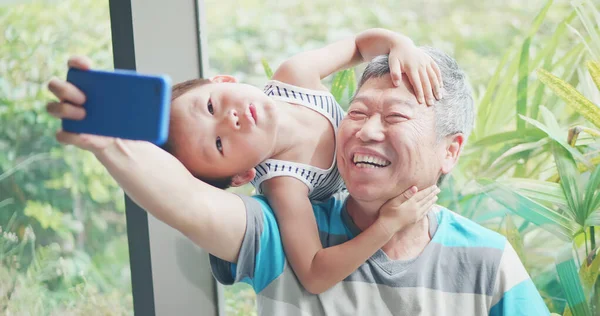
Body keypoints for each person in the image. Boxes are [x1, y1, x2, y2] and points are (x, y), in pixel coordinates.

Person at [46, 46, 549, 315]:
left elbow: (358, 42)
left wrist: (400, 45)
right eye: (357, 111)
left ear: (450, 151)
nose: (367, 131)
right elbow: (189, 201)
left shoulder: (489, 262)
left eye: (394, 118)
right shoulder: (282, 227)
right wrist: (113, 145)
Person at [48, 28, 442, 295]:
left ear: (224, 82)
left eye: (211, 105)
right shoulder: (286, 185)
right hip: (379, 187)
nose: (229, 121)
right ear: (241, 176)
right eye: (219, 144)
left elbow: (358, 45)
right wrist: (387, 225)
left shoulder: (295, 76)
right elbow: (314, 273)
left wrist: (400, 44)